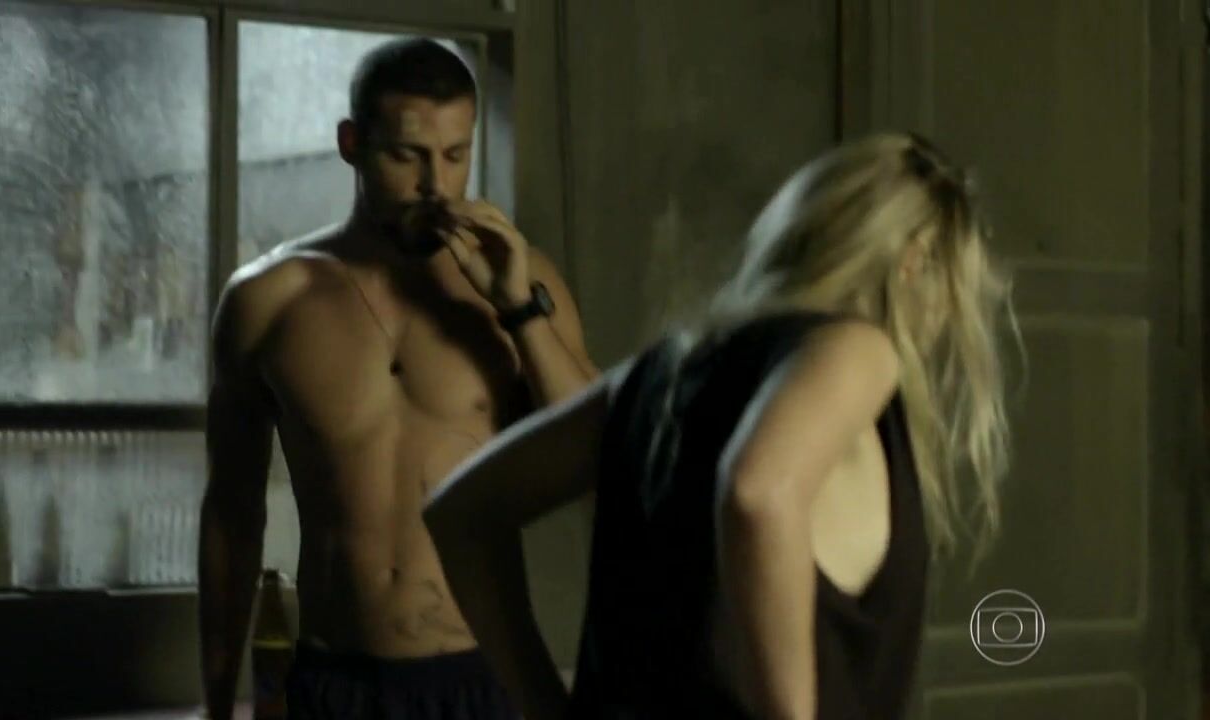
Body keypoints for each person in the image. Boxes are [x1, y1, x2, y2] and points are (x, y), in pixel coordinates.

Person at [423, 132, 1018, 719]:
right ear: (914, 262)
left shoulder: (665, 371)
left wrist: (547, 709)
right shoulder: (856, 347)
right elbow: (758, 494)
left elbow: (461, 511)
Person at [198, 38, 598, 720]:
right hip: (336, 681)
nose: (436, 186)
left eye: (455, 155)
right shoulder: (271, 298)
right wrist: (216, 705)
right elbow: (233, 515)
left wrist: (517, 310)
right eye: (407, 156)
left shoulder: (524, 282)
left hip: (483, 675)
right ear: (352, 144)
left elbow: (600, 457)